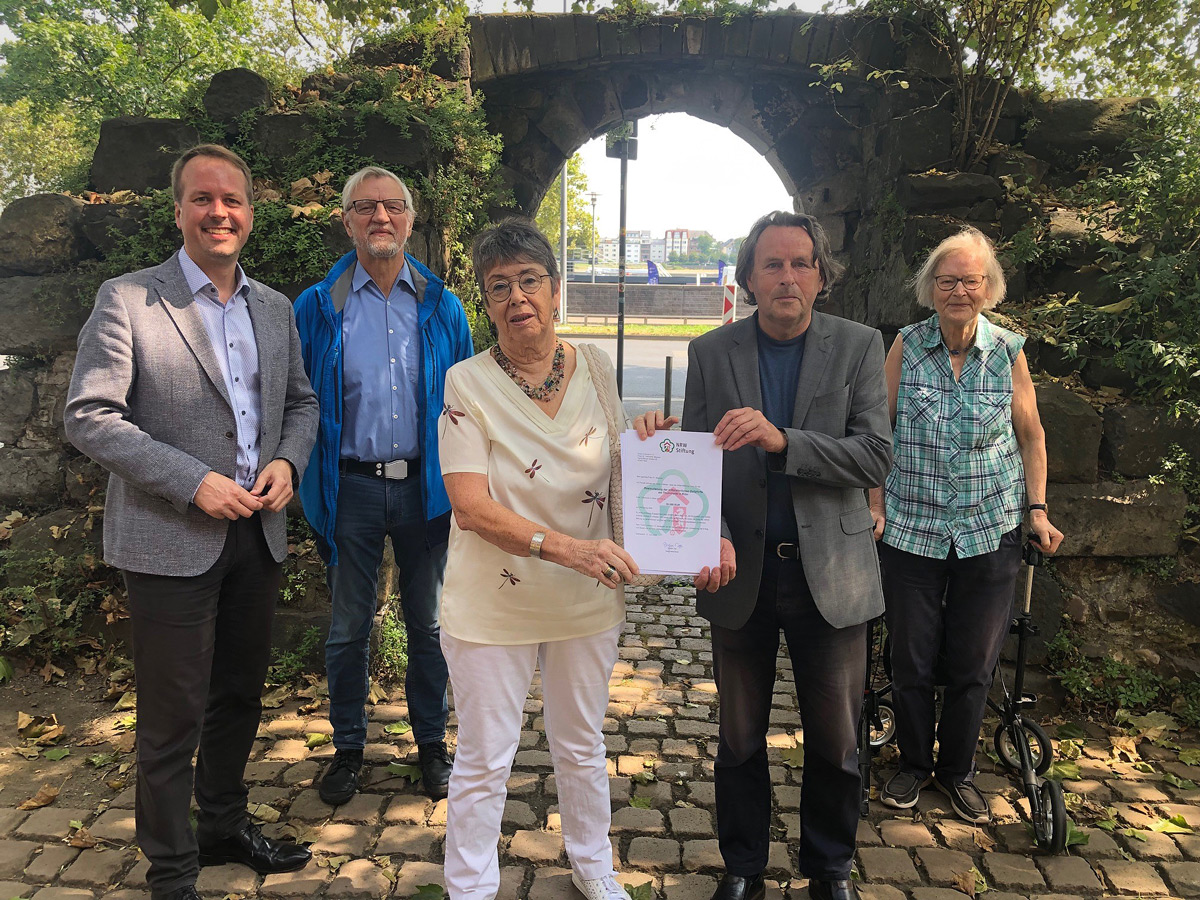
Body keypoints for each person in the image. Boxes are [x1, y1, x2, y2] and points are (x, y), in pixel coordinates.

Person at [64, 144, 319, 900]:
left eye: (232, 200)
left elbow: (302, 404)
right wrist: (192, 482)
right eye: (203, 199)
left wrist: (289, 464)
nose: (219, 212)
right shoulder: (128, 300)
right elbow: (89, 416)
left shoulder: (273, 307)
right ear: (178, 210)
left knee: (239, 697)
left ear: (249, 213)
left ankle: (221, 827)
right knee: (172, 720)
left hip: (258, 534)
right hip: (169, 540)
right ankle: (172, 871)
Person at [642, 210, 891, 900]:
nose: (787, 276)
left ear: (821, 274)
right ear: (749, 276)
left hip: (832, 576)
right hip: (742, 573)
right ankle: (744, 867)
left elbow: (876, 454)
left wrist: (785, 441)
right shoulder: (711, 352)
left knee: (837, 742)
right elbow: (692, 463)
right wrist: (707, 529)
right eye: (772, 264)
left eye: (801, 263)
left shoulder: (860, 346)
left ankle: (830, 870)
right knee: (740, 737)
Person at [438, 218, 638, 900]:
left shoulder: (598, 366)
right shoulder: (465, 384)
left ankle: (594, 868)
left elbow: (616, 469)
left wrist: (653, 453)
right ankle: (469, 888)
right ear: (486, 303)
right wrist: (570, 550)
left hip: (586, 601)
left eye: (529, 280)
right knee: (484, 757)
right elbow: (470, 507)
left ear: (555, 290)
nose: (517, 296)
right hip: (494, 602)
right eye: (500, 286)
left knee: (581, 746)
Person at [870, 226, 1064, 823]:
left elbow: (1030, 434)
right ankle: (911, 764)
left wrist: (1037, 509)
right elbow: (878, 432)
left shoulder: (1008, 350)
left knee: (975, 663)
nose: (959, 290)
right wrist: (874, 505)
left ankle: (957, 770)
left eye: (971, 280)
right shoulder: (906, 344)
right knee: (911, 658)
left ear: (988, 288)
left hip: (990, 527)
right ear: (931, 288)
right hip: (910, 528)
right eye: (948, 280)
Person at [293, 165, 474, 804]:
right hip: (352, 489)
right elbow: (298, 399)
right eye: (365, 207)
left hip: (425, 489)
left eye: (392, 207)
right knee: (348, 626)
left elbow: (468, 402)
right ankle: (347, 748)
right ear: (346, 222)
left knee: (428, 625)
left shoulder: (442, 306)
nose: (380, 218)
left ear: (409, 219)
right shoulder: (316, 307)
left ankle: (431, 743)